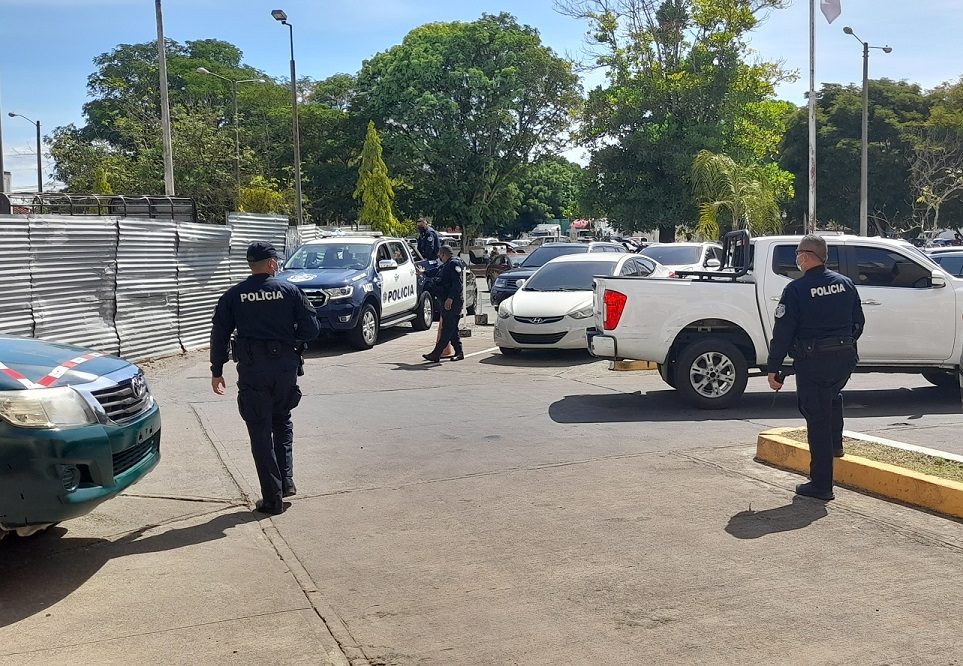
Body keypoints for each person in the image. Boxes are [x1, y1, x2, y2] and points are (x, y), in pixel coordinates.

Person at [210, 241, 320, 515]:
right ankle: (285, 482)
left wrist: (216, 370)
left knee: (259, 430)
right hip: (284, 368)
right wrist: (288, 341)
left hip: (252, 370)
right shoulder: (290, 291)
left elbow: (219, 334)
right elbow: (311, 328)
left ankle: (272, 498)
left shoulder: (234, 295)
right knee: (282, 421)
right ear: (271, 263)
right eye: (277, 261)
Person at [767, 235, 865, 501]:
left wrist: (773, 367)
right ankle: (836, 447)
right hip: (844, 359)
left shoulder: (796, 290)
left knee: (817, 418)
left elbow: (783, 332)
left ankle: (821, 485)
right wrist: (843, 346)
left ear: (807, 256)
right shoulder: (845, 284)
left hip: (814, 362)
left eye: (798, 253)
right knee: (831, 396)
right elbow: (859, 322)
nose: (796, 258)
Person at [422, 245, 465, 363]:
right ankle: (459, 352)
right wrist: (424, 272)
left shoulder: (453, 264)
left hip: (453, 302)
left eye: (440, 255)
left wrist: (450, 299)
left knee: (447, 329)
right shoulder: (446, 265)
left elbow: (457, 285)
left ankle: (436, 353)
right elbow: (437, 271)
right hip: (446, 300)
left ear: (444, 254)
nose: (439, 258)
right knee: (452, 328)